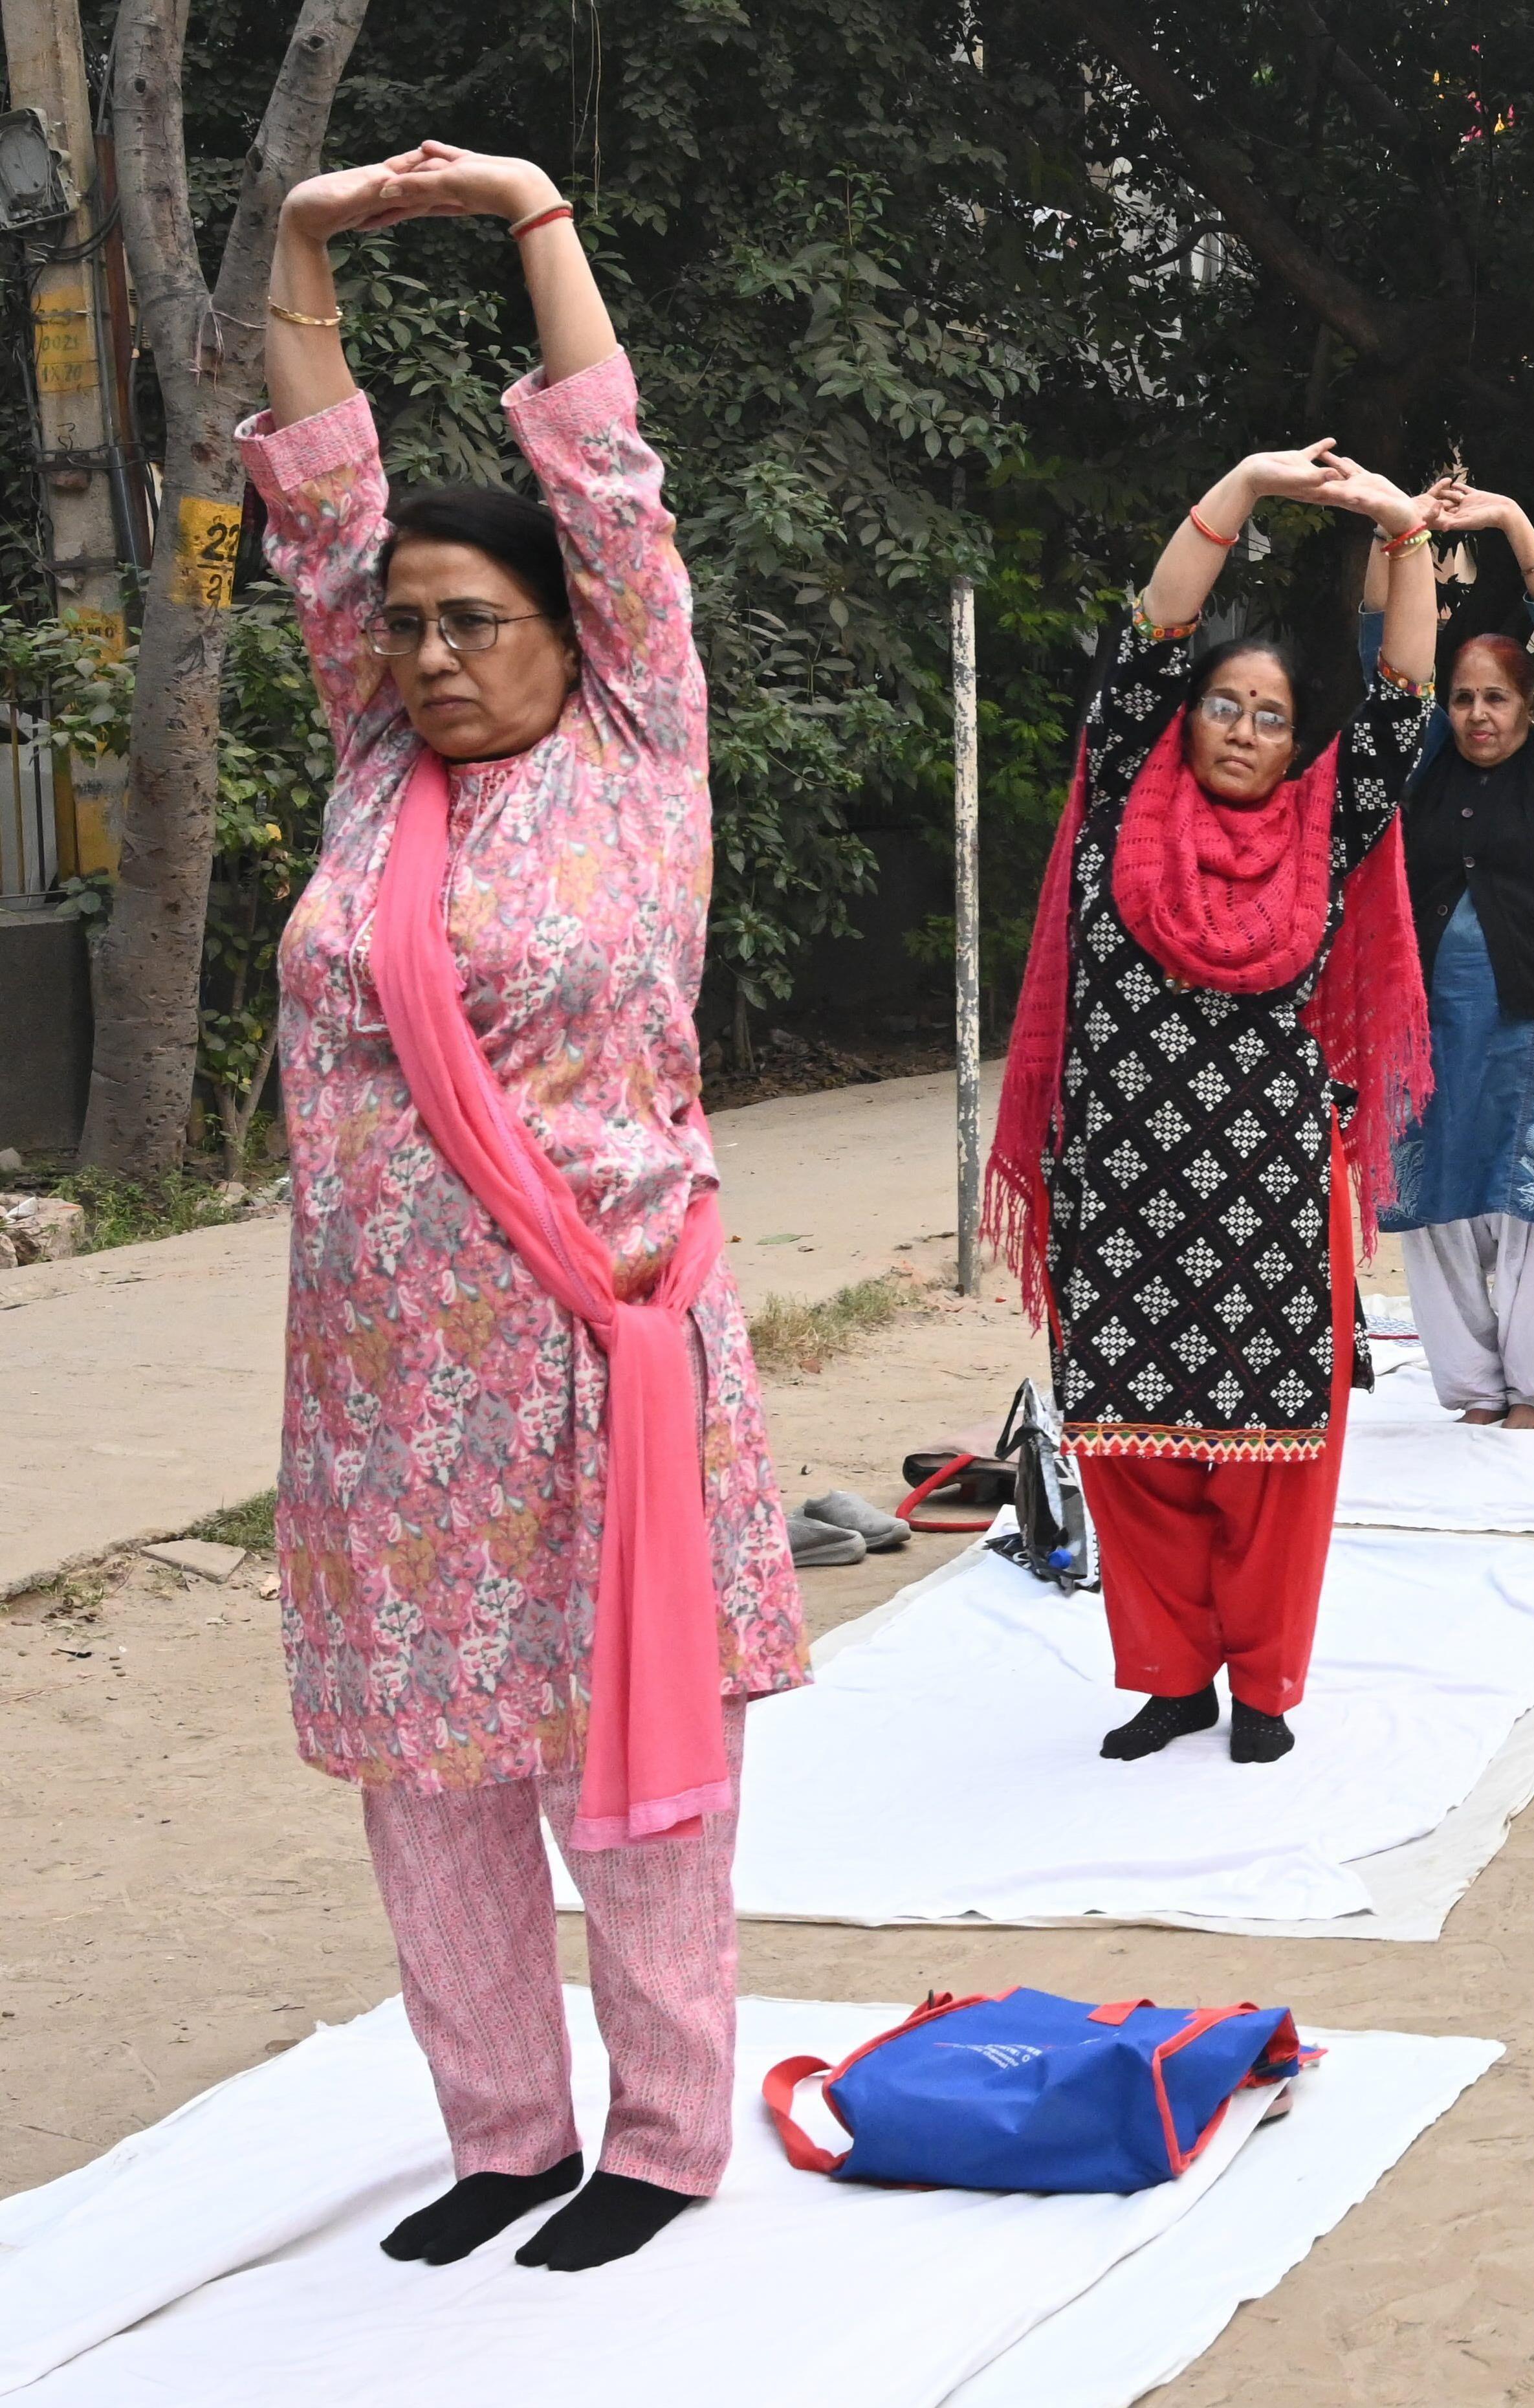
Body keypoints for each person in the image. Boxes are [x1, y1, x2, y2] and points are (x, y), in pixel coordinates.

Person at [247, 140, 798, 2273]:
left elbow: (613, 480)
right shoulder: (378, 769)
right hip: (387, 1397)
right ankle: (496, 2126)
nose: (433, 656)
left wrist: (537, 215)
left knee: (624, 1772)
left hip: (596, 1363)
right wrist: (302, 244)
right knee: (433, 1772)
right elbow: (311, 479)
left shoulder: (639, 752)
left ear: (578, 637)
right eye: (404, 630)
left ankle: (658, 2139)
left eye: (475, 624)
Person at [985, 440, 1443, 1767]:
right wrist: (1244, 486)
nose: (1245, 729)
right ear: (1184, 719)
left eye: (1272, 716)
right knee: (1129, 1454)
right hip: (1119, 1199)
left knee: (1272, 1460)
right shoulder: (1126, 787)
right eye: (1226, 705)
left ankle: (1263, 1691)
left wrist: (1405, 538)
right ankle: (1171, 1679)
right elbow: (1153, 630)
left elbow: (1404, 700)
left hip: (1266, 1206)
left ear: (1301, 747)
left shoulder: (1325, 826)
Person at [1370, 478, 1534, 1427]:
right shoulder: (1418, 769)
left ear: (1528, 705)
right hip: (1421, 1023)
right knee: (1434, 1202)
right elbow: (1378, 653)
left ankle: (1533, 1390)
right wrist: (1399, 530)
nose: (1477, 715)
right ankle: (1467, 1386)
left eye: (1497, 698)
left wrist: (1512, 520)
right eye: (1461, 699)